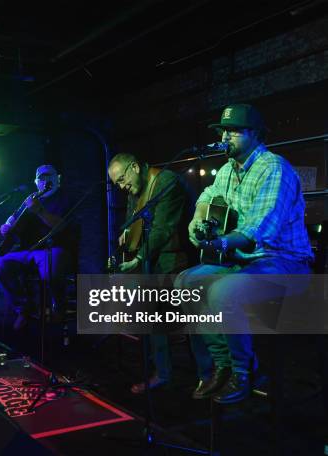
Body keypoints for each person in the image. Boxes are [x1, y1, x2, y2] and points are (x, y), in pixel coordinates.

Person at [176, 104, 313, 404]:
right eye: (224, 130)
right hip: (243, 261)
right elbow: (206, 197)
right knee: (185, 283)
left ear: (254, 134)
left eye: (234, 131)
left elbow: (259, 230)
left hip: (284, 262)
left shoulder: (274, 168)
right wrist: (197, 219)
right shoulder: (227, 170)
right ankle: (221, 366)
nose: (226, 136)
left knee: (224, 291)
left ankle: (244, 372)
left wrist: (220, 244)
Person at [108, 153, 213, 394]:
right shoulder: (136, 189)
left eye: (123, 179)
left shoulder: (165, 181)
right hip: (156, 259)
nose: (123, 187)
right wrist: (126, 235)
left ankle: (206, 374)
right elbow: (132, 221)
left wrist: (139, 259)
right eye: (118, 184)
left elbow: (163, 229)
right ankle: (163, 372)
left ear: (135, 167)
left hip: (179, 258)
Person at [0, 165, 77, 331]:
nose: (45, 181)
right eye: (41, 178)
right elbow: (12, 221)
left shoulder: (65, 199)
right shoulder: (30, 199)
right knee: (0, 265)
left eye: (49, 177)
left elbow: (61, 226)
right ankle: (23, 308)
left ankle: (58, 307)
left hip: (55, 248)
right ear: (36, 181)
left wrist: (39, 210)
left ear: (57, 178)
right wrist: (6, 227)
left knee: (49, 270)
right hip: (29, 250)